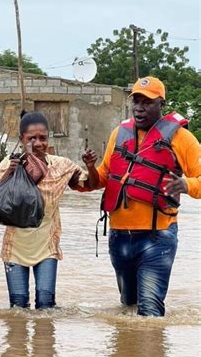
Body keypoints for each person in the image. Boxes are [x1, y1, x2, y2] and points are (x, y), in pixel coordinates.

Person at [81, 76, 201, 317]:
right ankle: (129, 354)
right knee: (128, 307)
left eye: (147, 102)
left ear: (161, 104)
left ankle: (152, 353)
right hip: (119, 237)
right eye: (136, 100)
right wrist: (90, 169)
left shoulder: (181, 138)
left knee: (149, 311)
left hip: (158, 238)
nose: (139, 107)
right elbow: (103, 178)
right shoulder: (119, 133)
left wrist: (185, 184)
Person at [0, 111, 99, 309]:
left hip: (46, 248)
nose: (38, 143)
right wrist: (11, 173)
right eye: (31, 138)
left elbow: (88, 185)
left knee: (46, 304)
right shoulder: (9, 165)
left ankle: (45, 339)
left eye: (42, 138)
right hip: (14, 248)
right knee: (17, 307)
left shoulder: (60, 166)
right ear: (21, 139)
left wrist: (91, 166)